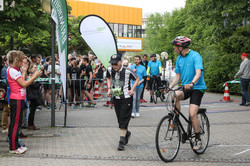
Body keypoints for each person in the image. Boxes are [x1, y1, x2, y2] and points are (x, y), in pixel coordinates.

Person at [167, 36, 207, 151]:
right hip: (185, 87)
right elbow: (177, 77)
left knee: (192, 114)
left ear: (181, 47)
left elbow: (198, 73)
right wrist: (169, 87)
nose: (174, 49)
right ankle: (176, 120)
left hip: (197, 88)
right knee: (174, 95)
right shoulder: (179, 58)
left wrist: (192, 83)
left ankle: (198, 140)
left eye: (175, 46)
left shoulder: (195, 56)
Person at [7, 50, 42, 154]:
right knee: (15, 124)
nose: (23, 62)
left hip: (19, 98)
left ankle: (15, 144)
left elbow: (22, 80)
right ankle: (13, 148)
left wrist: (24, 71)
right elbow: (24, 84)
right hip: (16, 98)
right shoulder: (12, 71)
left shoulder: (15, 70)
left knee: (17, 123)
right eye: (21, 60)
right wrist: (34, 76)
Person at [107, 54, 139, 151]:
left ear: (120, 62)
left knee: (124, 118)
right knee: (120, 120)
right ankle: (127, 133)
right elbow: (108, 77)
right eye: (112, 64)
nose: (114, 66)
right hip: (116, 97)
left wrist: (132, 89)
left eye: (115, 64)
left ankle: (121, 142)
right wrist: (109, 89)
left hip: (127, 98)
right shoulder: (109, 69)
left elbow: (137, 78)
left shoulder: (128, 71)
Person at [26, 63, 42, 130]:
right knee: (31, 110)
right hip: (32, 95)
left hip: (35, 94)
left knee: (33, 110)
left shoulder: (36, 76)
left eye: (36, 67)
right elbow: (33, 85)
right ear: (31, 68)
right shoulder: (30, 75)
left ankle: (31, 124)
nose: (36, 69)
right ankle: (30, 124)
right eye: (34, 67)